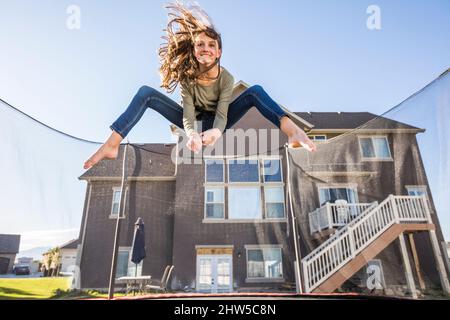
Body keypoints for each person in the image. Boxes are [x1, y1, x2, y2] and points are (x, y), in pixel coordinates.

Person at [84, 2, 316, 170]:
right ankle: (112, 144)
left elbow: (223, 111)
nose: (205, 48)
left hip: (219, 120)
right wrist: (192, 133)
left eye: (211, 45)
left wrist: (216, 131)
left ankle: (292, 131)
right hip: (192, 120)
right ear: (195, 51)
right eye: (200, 44)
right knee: (146, 93)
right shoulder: (188, 78)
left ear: (219, 52)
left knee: (254, 91)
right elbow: (186, 113)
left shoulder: (226, 78)